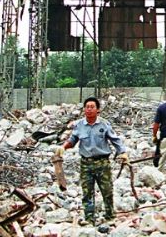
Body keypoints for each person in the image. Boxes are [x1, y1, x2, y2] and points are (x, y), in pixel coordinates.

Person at [55, 96, 129, 225]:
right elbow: (73, 140)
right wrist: (63, 147)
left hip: (102, 163)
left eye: (92, 107)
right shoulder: (79, 125)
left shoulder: (104, 124)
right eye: (87, 107)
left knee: (107, 190)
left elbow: (115, 139)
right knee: (87, 192)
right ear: (84, 109)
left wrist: (123, 152)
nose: (89, 109)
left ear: (97, 110)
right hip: (86, 163)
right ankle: (89, 218)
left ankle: (110, 216)